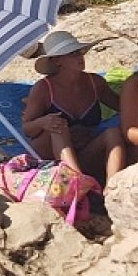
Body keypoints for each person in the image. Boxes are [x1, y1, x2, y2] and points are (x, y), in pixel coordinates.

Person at [22, 30, 125, 186]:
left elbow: (122, 106)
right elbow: (27, 129)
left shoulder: (95, 82)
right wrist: (43, 122)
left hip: (83, 152)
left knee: (112, 133)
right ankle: (78, 184)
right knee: (58, 125)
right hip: (49, 153)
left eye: (79, 52)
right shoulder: (43, 88)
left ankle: (113, 187)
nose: (80, 57)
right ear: (57, 61)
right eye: (72, 54)